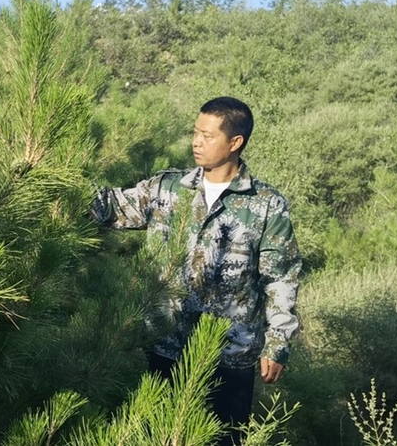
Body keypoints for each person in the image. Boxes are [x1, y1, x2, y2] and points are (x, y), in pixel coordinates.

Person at [91, 96, 300, 445]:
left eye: (207, 135)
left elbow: (281, 276)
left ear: (236, 142)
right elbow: (109, 207)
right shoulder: (167, 189)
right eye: (195, 132)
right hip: (163, 342)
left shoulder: (266, 205)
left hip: (229, 354)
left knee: (221, 440)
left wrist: (278, 343)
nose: (196, 142)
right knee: (152, 436)